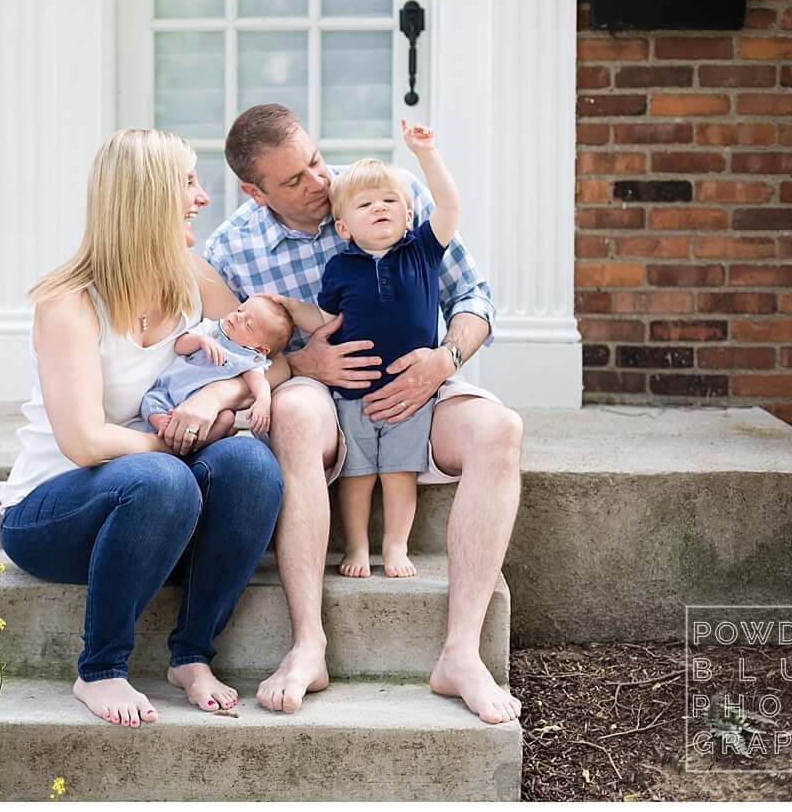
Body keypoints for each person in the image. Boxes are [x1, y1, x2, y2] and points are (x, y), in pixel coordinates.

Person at [197, 103, 522, 725]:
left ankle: (460, 655)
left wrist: (445, 356)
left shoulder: (385, 193)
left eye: (315, 161)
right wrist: (302, 365)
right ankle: (308, 645)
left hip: (417, 387)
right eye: (292, 180)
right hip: (318, 400)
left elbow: (474, 297)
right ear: (253, 190)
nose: (318, 182)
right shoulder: (232, 250)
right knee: (290, 414)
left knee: (500, 429)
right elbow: (226, 363)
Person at [0, 128, 282, 726]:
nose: (203, 197)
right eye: (188, 182)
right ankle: (99, 670)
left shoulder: (191, 280)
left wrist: (217, 399)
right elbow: (84, 442)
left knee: (250, 463)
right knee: (161, 478)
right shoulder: (70, 304)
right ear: (147, 198)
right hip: (56, 514)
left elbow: (264, 354)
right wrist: (176, 446)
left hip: (156, 512)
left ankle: (192, 656)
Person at [301, 127, 463, 581]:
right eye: (366, 203)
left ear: (409, 217)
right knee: (356, 476)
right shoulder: (339, 268)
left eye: (390, 201)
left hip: (411, 395)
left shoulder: (422, 252)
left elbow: (449, 205)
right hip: (352, 392)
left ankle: (395, 545)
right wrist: (290, 313)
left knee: (398, 475)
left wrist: (426, 154)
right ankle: (356, 545)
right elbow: (324, 320)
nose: (379, 208)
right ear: (343, 226)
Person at [136, 291, 294, 440]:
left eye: (249, 325)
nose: (238, 317)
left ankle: (198, 442)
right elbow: (179, 346)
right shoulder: (210, 329)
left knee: (227, 418)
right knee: (151, 401)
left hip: (204, 409)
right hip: (170, 390)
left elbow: (258, 380)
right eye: (240, 311)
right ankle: (163, 425)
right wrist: (200, 341)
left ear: (260, 349)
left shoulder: (249, 358)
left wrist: (263, 400)